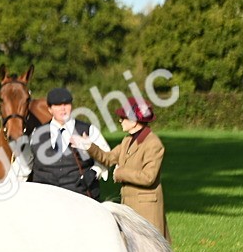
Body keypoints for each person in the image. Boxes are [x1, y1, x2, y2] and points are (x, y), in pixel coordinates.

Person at [73, 99, 170, 242]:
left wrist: (120, 173)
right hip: (130, 205)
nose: (120, 121)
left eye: (124, 118)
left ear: (135, 120)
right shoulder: (127, 141)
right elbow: (108, 158)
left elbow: (149, 177)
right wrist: (89, 146)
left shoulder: (153, 144)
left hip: (147, 207)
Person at [10, 87, 109, 199]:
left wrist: (95, 171)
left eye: (66, 104)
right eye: (57, 105)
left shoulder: (88, 130)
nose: (63, 109)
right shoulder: (35, 134)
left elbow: (106, 157)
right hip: (45, 198)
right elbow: (22, 166)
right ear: (49, 109)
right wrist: (7, 189)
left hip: (81, 197)